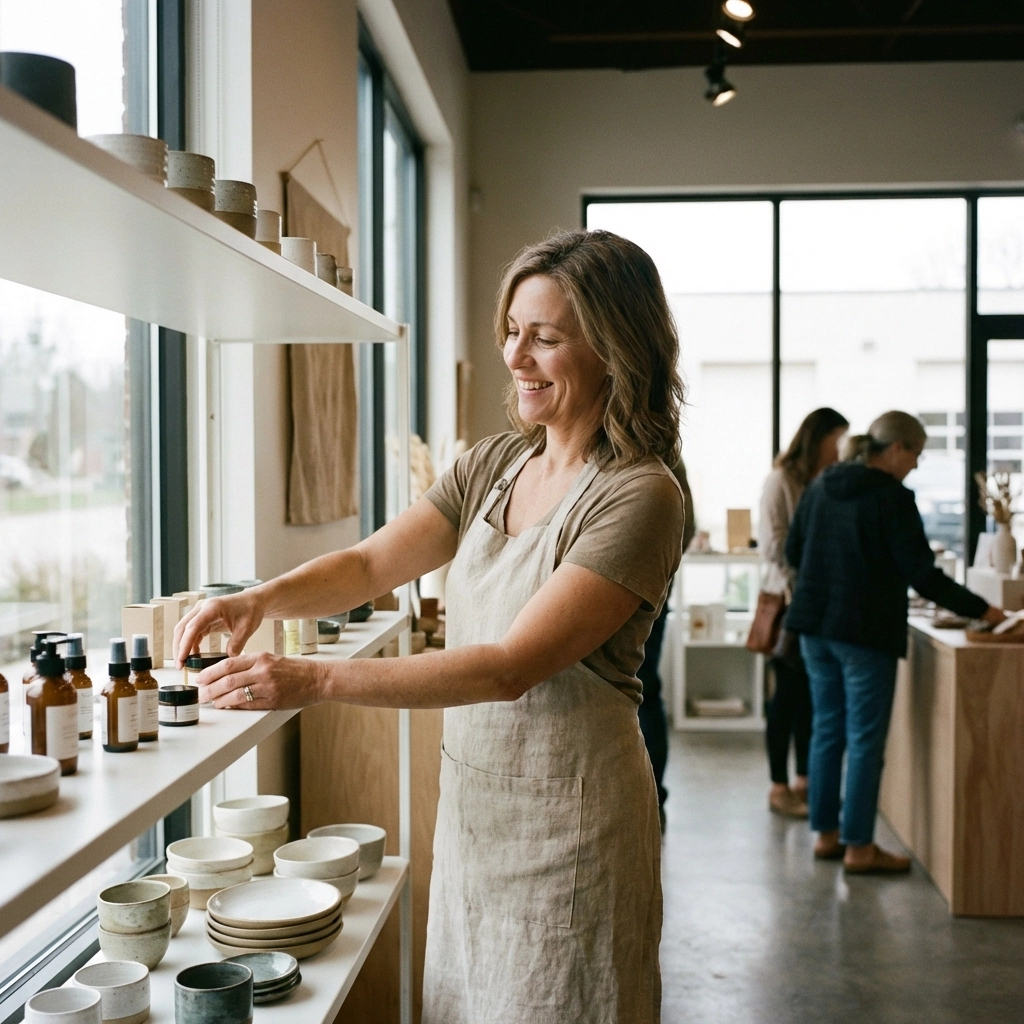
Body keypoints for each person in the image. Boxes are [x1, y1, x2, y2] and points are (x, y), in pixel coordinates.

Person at [174, 229, 686, 1022]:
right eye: (512, 331)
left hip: (575, 828)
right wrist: (260, 599)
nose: (516, 358)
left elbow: (508, 667)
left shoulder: (638, 495)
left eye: (545, 338)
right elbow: (372, 565)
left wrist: (313, 679)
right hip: (478, 814)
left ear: (616, 350)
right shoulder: (493, 465)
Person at [784, 411, 1004, 874]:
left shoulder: (823, 485)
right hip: (864, 631)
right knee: (864, 739)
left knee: (827, 730)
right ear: (898, 448)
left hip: (814, 627)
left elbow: (793, 552)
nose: (918, 466)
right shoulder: (892, 498)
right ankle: (860, 847)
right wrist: (984, 611)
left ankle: (825, 836)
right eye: (918, 454)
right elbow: (922, 575)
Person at [759, 407, 849, 818]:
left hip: (817, 604)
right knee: (787, 700)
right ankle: (779, 786)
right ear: (820, 439)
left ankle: (805, 782)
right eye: (837, 440)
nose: (842, 449)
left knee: (812, 701)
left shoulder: (828, 481)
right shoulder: (782, 480)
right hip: (790, 601)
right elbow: (774, 545)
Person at [637, 457, 694, 829]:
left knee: (644, 690)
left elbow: (684, 528)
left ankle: (653, 795)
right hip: (651, 591)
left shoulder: (662, 452)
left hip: (647, 594)